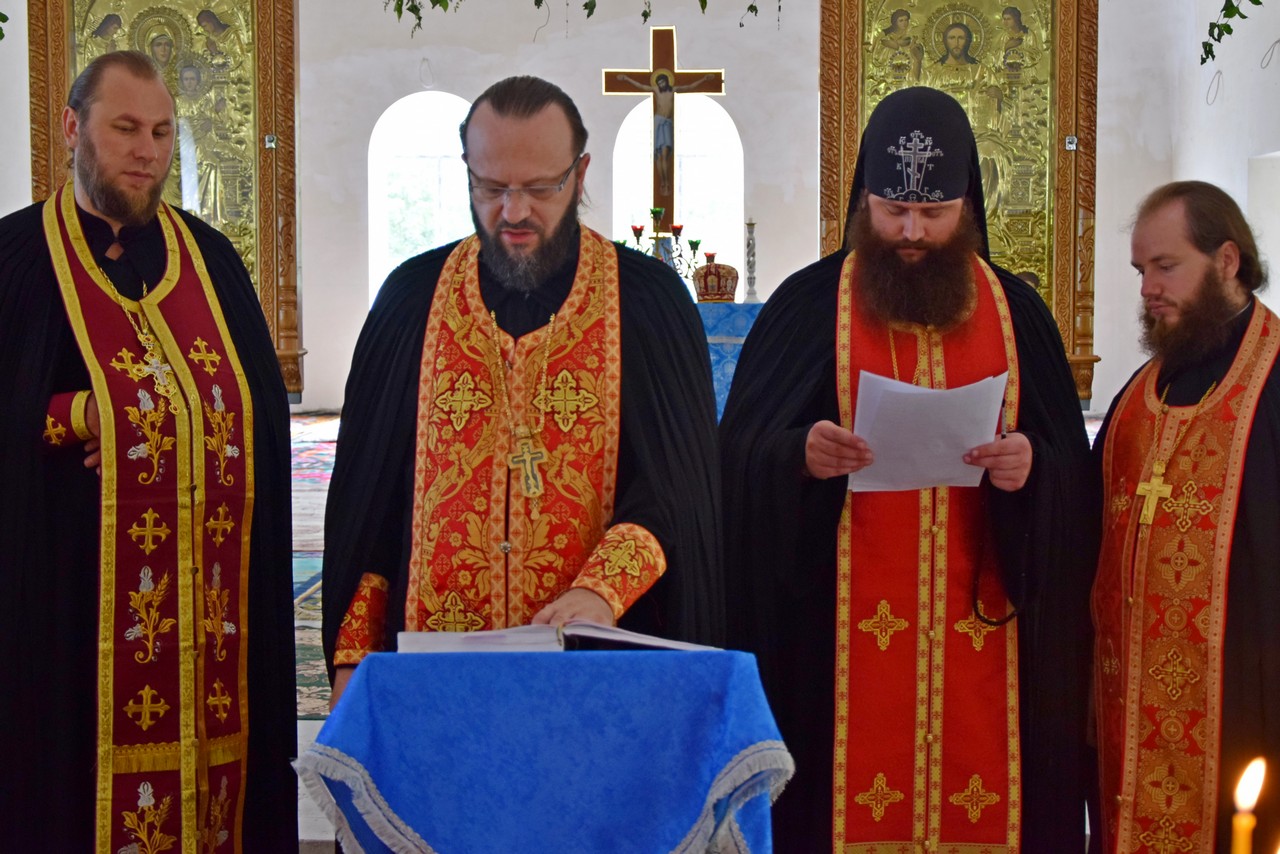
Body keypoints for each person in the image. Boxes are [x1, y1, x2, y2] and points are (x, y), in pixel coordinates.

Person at [720, 86, 1095, 852]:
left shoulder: (1020, 317)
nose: (913, 232)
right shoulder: (806, 308)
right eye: (893, 210)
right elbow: (735, 463)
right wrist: (798, 457)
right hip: (835, 664)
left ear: (969, 204)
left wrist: (1033, 470)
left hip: (988, 645)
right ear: (864, 196)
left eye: (934, 212)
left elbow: (1075, 485)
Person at [322, 75, 723, 704]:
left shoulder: (646, 303)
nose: (513, 212)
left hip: (594, 668)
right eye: (490, 188)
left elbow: (677, 490)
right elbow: (372, 505)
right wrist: (354, 656)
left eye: (539, 188)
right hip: (434, 680)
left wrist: (602, 589)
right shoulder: (410, 301)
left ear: (580, 174)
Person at [0, 51, 297, 850]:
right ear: (73, 128)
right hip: (67, 609)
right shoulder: (16, 261)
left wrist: (164, 429)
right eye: (126, 128)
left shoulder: (213, 262)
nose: (147, 151)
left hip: (207, 615)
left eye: (162, 132)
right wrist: (78, 415)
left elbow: (262, 417)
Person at [1092, 181, 1279, 852]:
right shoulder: (1141, 396)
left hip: (1242, 710)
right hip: (1128, 718)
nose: (1148, 289)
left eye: (1165, 266)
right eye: (1140, 271)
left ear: (1227, 260)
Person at [614, 70, 715, 195]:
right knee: (659, 154)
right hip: (658, 122)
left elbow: (689, 87)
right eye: (659, 83)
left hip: (667, 123)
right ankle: (663, 182)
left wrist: (704, 79)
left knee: (665, 153)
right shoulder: (656, 90)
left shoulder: (673, 90)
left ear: (667, 81)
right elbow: (641, 86)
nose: (661, 84)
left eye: (663, 82)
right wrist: (627, 79)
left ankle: (666, 181)